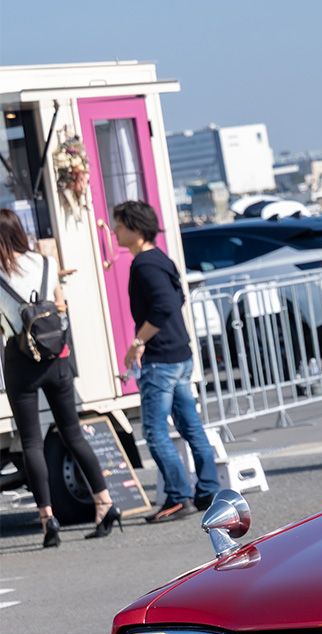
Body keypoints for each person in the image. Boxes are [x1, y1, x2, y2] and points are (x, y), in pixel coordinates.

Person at [0, 209, 120, 545]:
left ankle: (47, 520)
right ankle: (105, 503)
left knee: (32, 443)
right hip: (57, 358)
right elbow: (60, 305)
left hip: (20, 360)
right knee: (73, 433)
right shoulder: (45, 263)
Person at [112, 200, 219, 523]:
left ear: (134, 228)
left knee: (156, 431)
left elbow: (163, 305)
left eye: (119, 225)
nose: (115, 231)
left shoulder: (144, 264)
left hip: (161, 361)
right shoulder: (160, 259)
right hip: (180, 354)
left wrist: (138, 342)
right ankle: (208, 489)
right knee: (190, 426)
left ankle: (178, 496)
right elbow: (178, 298)